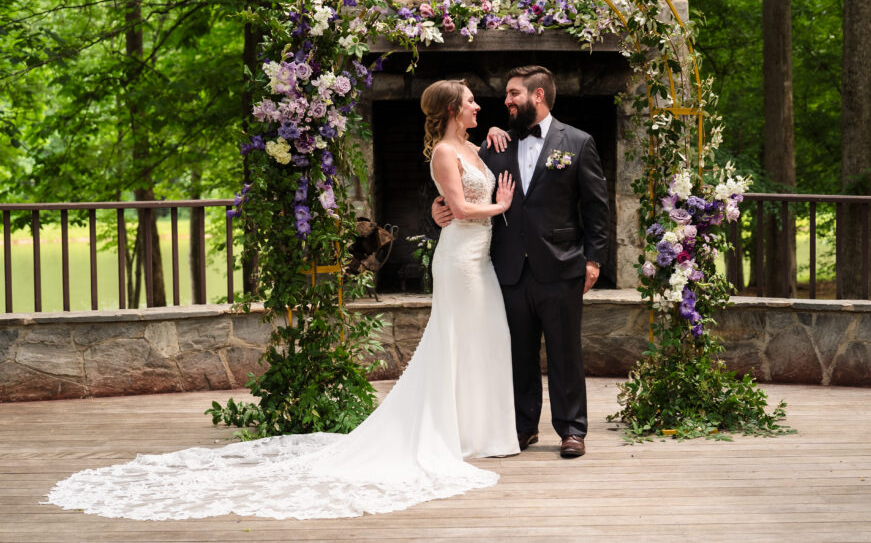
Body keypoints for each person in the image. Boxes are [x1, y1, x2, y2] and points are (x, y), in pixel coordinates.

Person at [45, 79, 519, 520]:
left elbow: (476, 176)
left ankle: (480, 433)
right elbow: (457, 208)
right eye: (472, 100)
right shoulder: (441, 151)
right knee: (454, 340)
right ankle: (451, 433)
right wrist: (498, 206)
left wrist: (497, 133)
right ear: (454, 108)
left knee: (485, 339)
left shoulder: (472, 146)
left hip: (481, 258)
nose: (480, 105)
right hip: (458, 260)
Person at [433, 65, 609, 459]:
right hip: (508, 268)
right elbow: (457, 182)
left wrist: (594, 259)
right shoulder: (495, 145)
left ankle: (572, 429)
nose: (506, 101)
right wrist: (436, 208)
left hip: (562, 265)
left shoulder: (578, 142)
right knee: (518, 353)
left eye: (514, 94)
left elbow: (597, 208)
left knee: (566, 352)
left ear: (538, 96)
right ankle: (522, 427)